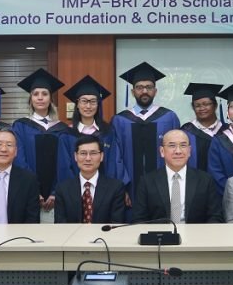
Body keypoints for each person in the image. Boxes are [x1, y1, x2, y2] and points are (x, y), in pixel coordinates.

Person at [12, 68, 75, 221]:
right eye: (35, 94)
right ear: (30, 99)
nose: (40, 98)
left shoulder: (63, 129)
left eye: (45, 94)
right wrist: (33, 190)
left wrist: (56, 192)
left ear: (50, 99)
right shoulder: (20, 126)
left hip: (58, 195)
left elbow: (66, 164)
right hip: (28, 192)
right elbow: (19, 160)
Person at [111, 62, 181, 199]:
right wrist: (122, 187)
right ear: (133, 92)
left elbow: (178, 154)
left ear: (155, 91)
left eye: (149, 87)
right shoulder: (120, 121)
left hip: (165, 186)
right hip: (130, 189)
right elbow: (115, 157)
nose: (144, 91)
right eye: (139, 87)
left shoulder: (169, 117)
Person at [133, 129, 223, 224]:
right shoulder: (147, 182)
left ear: (189, 151)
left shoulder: (205, 180)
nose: (178, 151)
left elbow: (215, 216)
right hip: (160, 236)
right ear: (162, 151)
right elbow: (139, 219)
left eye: (183, 145)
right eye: (172, 146)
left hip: (196, 235)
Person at [58, 75, 127, 185]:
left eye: (93, 101)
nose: (88, 106)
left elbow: (113, 163)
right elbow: (64, 168)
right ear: (77, 104)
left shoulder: (108, 133)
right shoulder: (67, 135)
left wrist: (109, 190)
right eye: (84, 101)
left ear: (98, 105)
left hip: (105, 192)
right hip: (75, 192)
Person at [55, 135, 126, 224]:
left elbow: (116, 223)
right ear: (75, 156)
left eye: (93, 153)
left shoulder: (115, 188)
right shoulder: (62, 189)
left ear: (101, 156)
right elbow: (60, 225)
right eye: (83, 153)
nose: (88, 158)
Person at [181, 83, 225, 171]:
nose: (202, 108)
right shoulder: (186, 131)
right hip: (194, 182)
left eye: (206, 104)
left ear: (215, 106)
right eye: (197, 105)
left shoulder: (226, 130)